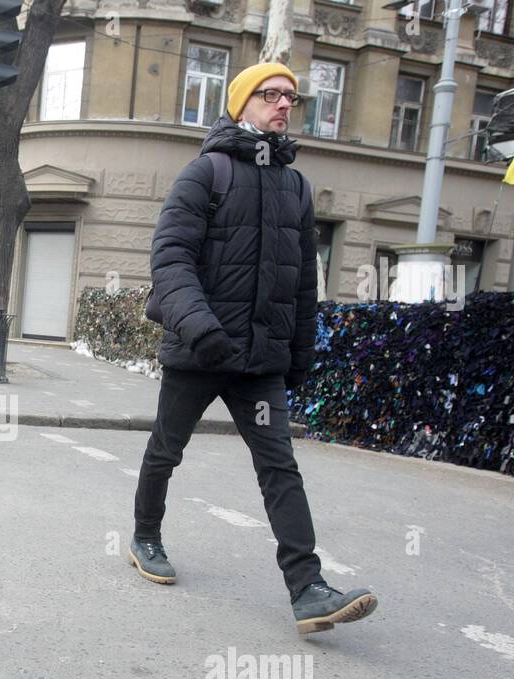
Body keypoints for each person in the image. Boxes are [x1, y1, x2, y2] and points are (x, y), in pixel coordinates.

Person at [128, 62, 378, 636]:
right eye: (271, 95)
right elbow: (170, 260)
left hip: (260, 362)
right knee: (167, 450)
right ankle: (145, 537)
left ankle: (307, 588)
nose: (284, 104)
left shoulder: (295, 186)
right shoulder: (206, 173)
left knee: (279, 467)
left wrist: (301, 352)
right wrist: (203, 329)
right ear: (242, 103)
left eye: (291, 97)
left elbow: (302, 282)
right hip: (200, 354)